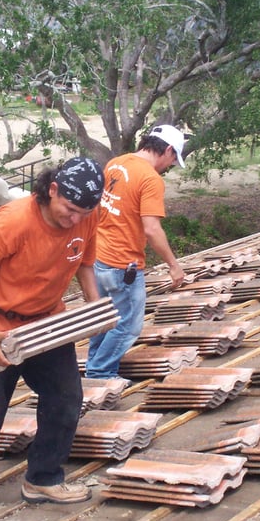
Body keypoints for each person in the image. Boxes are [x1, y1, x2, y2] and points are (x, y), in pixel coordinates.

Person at [0, 156, 105, 516]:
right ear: (52, 190)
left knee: (65, 399)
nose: (76, 220)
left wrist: (95, 307)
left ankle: (43, 478)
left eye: (84, 213)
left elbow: (85, 262)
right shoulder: (14, 221)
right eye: (70, 210)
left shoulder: (87, 215)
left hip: (48, 323)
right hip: (1, 324)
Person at [85, 124, 187, 380]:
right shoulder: (151, 179)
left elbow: (99, 208)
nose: (170, 165)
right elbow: (151, 229)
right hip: (123, 264)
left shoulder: (116, 163)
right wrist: (174, 265)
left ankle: (93, 367)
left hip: (99, 256)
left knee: (103, 317)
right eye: (173, 159)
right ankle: (101, 373)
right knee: (128, 325)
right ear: (168, 149)